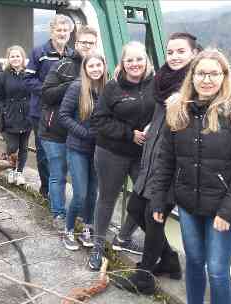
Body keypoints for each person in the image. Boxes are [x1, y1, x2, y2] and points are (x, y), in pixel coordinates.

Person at [147, 49, 231, 304]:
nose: (207, 79)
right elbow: (165, 159)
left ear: (224, 77)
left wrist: (227, 211)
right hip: (188, 205)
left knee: (218, 270)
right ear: (192, 76)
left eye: (214, 73)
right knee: (195, 263)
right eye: (201, 73)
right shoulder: (178, 110)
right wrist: (158, 199)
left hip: (222, 210)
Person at [115, 32, 200, 294]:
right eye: (170, 52)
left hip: (173, 165)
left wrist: (186, 103)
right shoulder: (163, 79)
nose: (174, 56)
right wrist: (155, 121)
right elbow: (160, 112)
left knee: (154, 217)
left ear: (194, 54)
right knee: (135, 207)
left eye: (180, 52)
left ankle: (144, 278)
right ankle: (170, 260)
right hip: (152, 155)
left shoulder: (194, 86)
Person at [88, 41, 156, 270]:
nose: (135, 64)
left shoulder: (155, 84)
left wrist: (152, 128)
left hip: (142, 154)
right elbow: (99, 120)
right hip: (111, 152)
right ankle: (97, 246)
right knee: (107, 199)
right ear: (123, 63)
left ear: (146, 60)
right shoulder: (112, 87)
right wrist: (129, 134)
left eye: (139, 59)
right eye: (130, 60)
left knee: (144, 198)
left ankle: (123, 238)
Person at [40, 25, 99, 231]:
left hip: (80, 136)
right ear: (76, 44)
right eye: (83, 42)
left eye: (91, 43)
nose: (86, 47)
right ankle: (58, 214)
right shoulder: (62, 66)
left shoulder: (98, 69)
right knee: (58, 174)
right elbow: (46, 94)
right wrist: (75, 83)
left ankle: (82, 217)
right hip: (55, 131)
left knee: (82, 182)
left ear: (95, 45)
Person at [58, 53, 107, 250]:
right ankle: (68, 229)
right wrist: (84, 133)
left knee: (93, 192)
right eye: (91, 66)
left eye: (98, 65)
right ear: (85, 69)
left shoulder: (107, 89)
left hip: (98, 149)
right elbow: (63, 115)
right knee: (80, 193)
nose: (95, 69)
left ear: (104, 67)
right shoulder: (77, 87)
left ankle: (87, 227)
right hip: (78, 147)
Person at [24, 14, 74, 200]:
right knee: (44, 152)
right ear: (51, 31)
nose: (62, 33)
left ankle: (58, 188)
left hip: (66, 112)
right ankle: (46, 189)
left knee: (64, 152)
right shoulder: (39, 52)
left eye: (65, 30)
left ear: (70, 33)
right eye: (58, 30)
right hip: (41, 112)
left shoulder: (72, 55)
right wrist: (48, 92)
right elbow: (28, 79)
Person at [0, 45, 31, 185]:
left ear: (22, 58)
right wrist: (4, 110)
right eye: (12, 56)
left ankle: (19, 172)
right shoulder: (3, 76)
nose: (15, 59)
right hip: (10, 115)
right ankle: (10, 170)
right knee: (12, 146)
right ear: (9, 59)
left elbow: (33, 92)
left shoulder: (28, 74)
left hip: (26, 115)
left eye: (18, 56)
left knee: (24, 147)